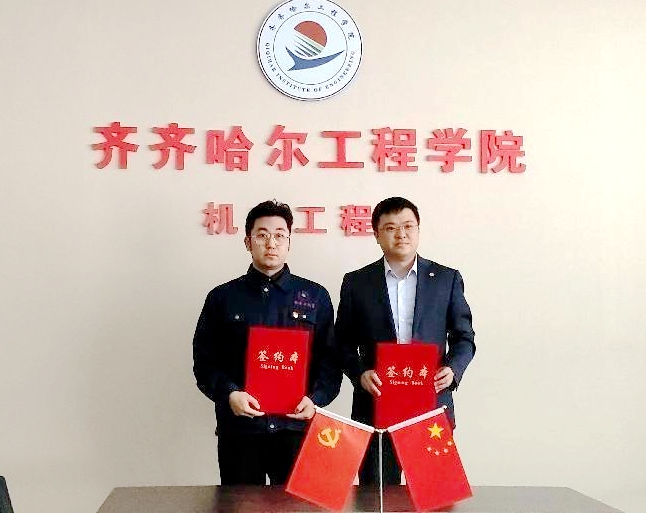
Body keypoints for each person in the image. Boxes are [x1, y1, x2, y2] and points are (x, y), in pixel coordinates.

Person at [193, 199, 341, 485]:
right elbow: (205, 362)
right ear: (247, 242)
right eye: (262, 235)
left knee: (295, 505)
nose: (271, 243)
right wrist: (230, 394)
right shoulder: (222, 298)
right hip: (240, 430)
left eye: (279, 235)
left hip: (295, 428)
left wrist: (316, 400)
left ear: (289, 242)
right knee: (240, 504)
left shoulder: (316, 296)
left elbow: (330, 361)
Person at [335, 196, 475, 485]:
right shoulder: (357, 282)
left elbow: (464, 337)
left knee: (433, 494)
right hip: (375, 406)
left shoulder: (446, 279)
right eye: (391, 228)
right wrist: (360, 373)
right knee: (377, 495)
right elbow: (341, 341)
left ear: (418, 230)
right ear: (376, 234)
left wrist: (453, 369)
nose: (401, 234)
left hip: (430, 405)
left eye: (408, 226)